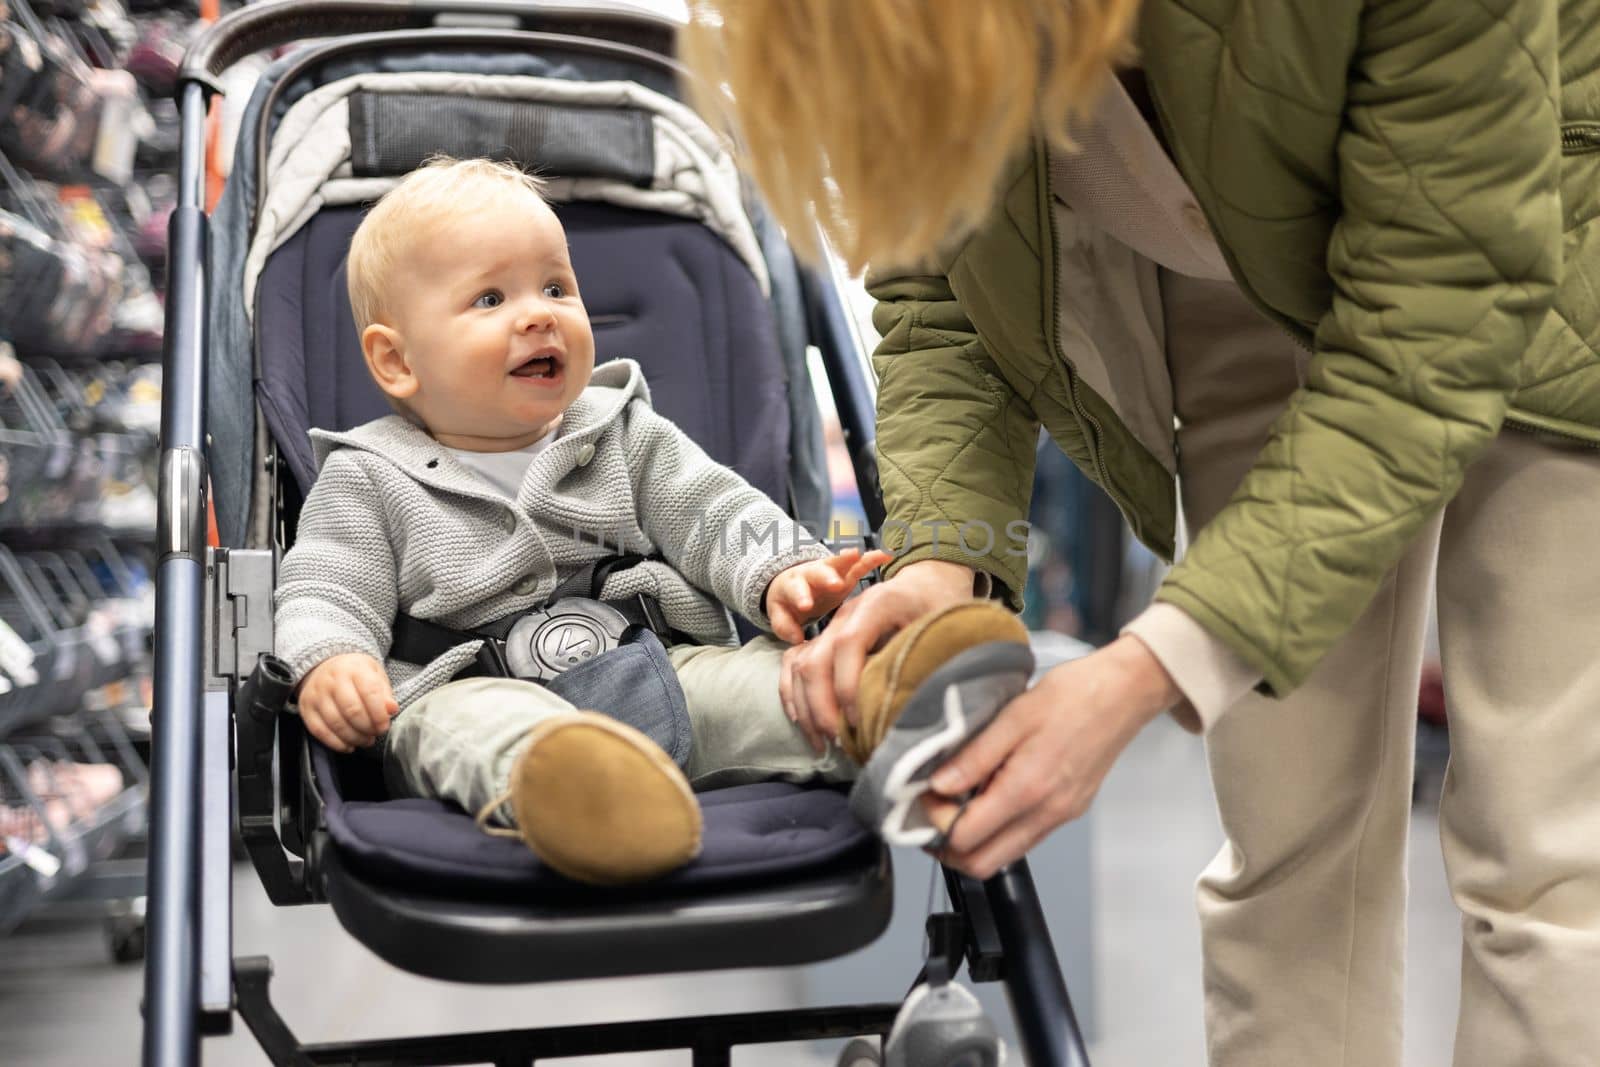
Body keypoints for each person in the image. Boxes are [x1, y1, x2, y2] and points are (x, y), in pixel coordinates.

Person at [685, 3, 1600, 1065]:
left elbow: (1437, 319)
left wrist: (1146, 669)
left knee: (1544, 865)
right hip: (1222, 275)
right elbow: (943, 277)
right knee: (1286, 841)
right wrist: (944, 551)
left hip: (1531, 243)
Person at [272, 156, 1013, 887]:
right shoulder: (366, 476)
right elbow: (326, 587)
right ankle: (585, 798)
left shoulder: (620, 430)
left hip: (658, 666)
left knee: (779, 688)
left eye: (557, 286)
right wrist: (334, 659)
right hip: (468, 690)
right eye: (491, 299)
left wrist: (785, 568)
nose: (539, 313)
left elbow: (714, 511)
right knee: (467, 734)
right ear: (396, 362)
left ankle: (893, 700)